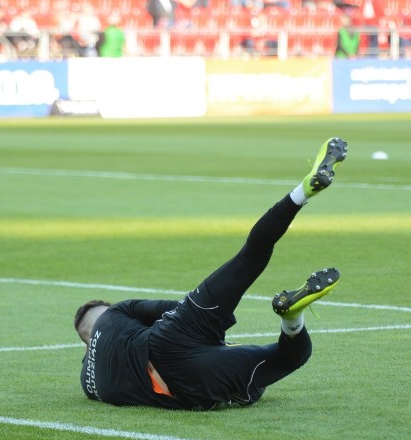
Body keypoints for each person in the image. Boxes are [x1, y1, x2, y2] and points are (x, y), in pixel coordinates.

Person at [74, 138, 349, 411]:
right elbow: (171, 308)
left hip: (187, 385)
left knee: (285, 360)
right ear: (104, 309)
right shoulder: (116, 314)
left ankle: (292, 319)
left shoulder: (90, 383)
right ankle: (303, 191)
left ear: (86, 344)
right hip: (169, 337)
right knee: (250, 256)